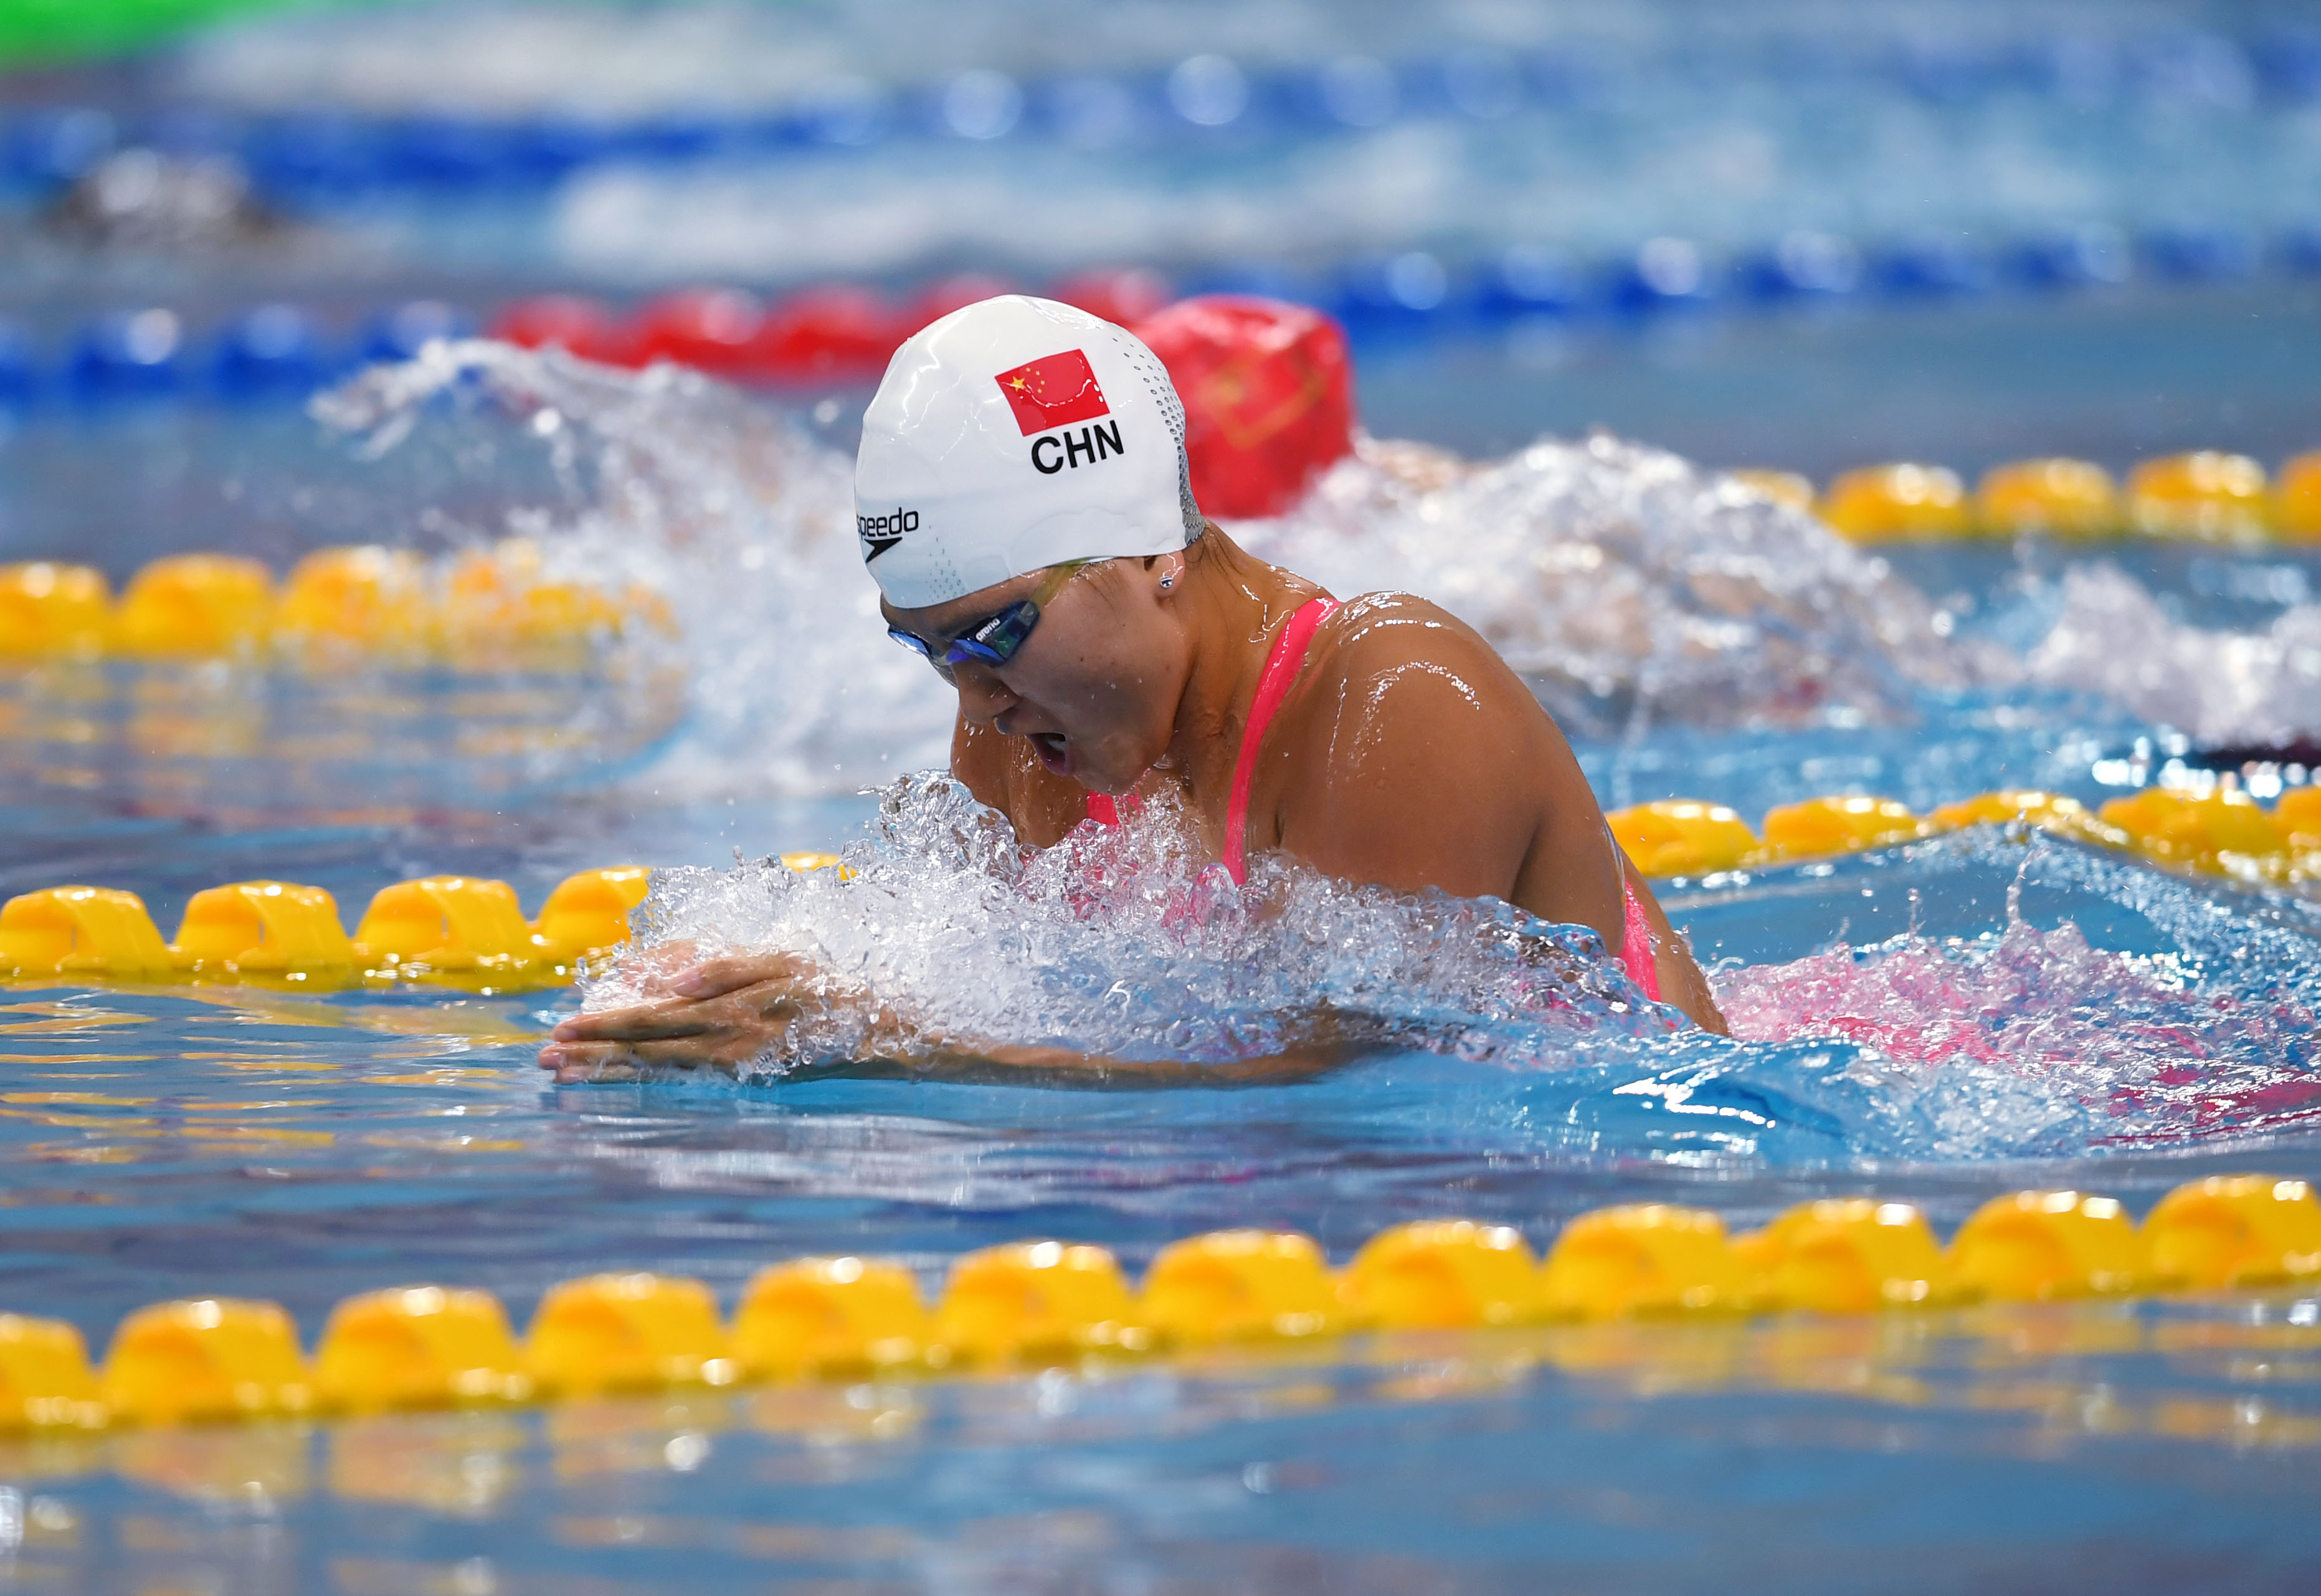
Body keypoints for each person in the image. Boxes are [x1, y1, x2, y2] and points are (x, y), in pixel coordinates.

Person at [539, 296, 1725, 1083]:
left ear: (1148, 553)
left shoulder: (1394, 696)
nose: (977, 696)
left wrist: (902, 1047)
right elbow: (977, 967)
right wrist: (723, 988)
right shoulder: (1025, 726)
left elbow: (1363, 1076)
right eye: (929, 648)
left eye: (995, 630)